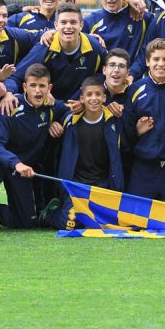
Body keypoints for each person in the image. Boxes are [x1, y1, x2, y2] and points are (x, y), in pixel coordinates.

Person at [0, 63, 68, 233]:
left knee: (27, 222)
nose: (37, 91)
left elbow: (69, 111)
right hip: (7, 162)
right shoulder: (10, 105)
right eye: (33, 86)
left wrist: (58, 121)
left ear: (49, 88)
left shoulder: (51, 107)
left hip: (24, 170)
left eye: (42, 86)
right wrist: (16, 163)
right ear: (25, 87)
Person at [43, 77, 125, 230]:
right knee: (70, 224)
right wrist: (52, 122)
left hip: (102, 185)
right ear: (81, 99)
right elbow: (51, 108)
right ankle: (49, 214)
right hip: (76, 186)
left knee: (106, 224)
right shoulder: (70, 121)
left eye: (97, 94)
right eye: (89, 95)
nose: (93, 99)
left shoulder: (113, 121)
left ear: (104, 97)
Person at [122, 39, 165, 201]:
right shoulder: (135, 89)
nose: (160, 64)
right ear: (147, 62)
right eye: (155, 59)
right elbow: (126, 131)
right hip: (143, 168)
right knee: (134, 221)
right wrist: (136, 132)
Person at [4, 4, 108, 103]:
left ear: (81, 25)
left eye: (73, 22)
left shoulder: (94, 46)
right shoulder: (45, 46)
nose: (68, 26)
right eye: (63, 22)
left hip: (82, 107)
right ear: (56, 25)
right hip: (51, 108)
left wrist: (85, 97)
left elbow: (108, 73)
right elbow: (16, 77)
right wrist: (9, 92)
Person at [83, 0, 155, 75]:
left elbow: (162, 22)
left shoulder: (141, 16)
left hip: (132, 80)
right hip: (103, 83)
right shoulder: (90, 21)